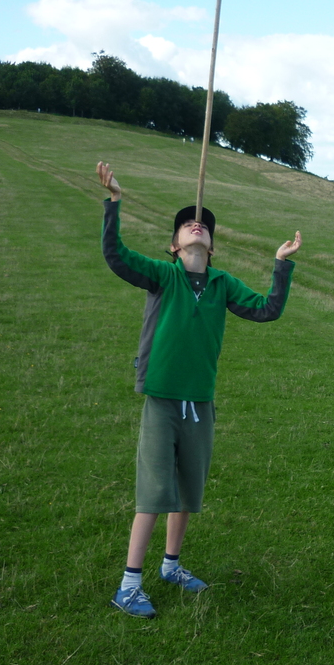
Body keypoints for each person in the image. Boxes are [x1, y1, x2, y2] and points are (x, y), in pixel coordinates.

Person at [97, 161, 302, 618]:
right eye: (188, 226)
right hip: (163, 400)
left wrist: (280, 264)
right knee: (153, 492)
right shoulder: (162, 275)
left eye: (205, 227)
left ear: (212, 246)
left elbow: (268, 309)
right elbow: (116, 257)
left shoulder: (222, 284)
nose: (198, 226)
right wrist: (114, 202)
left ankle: (171, 566)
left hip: (200, 402)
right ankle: (129, 584)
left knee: (188, 491)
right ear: (175, 245)